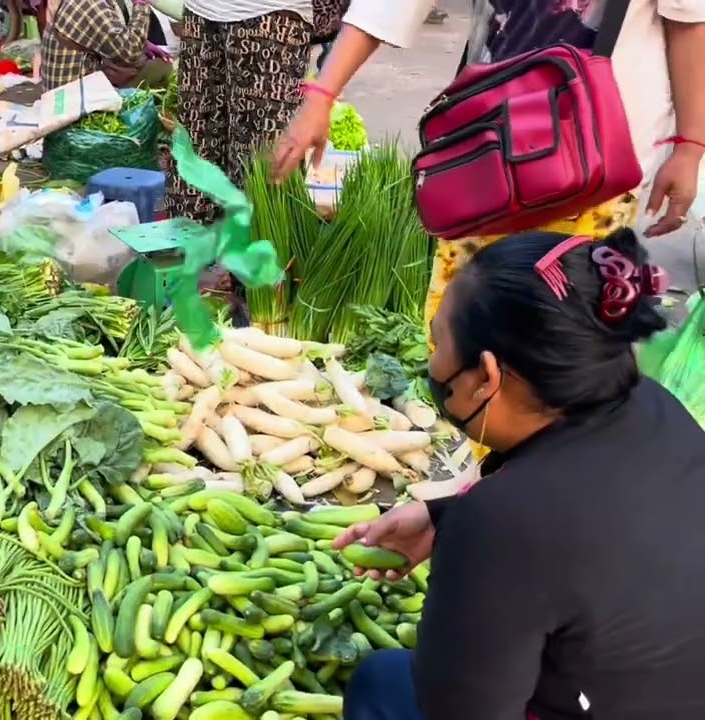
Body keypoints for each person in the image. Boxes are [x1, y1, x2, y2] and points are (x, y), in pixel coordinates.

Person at [333, 228, 705, 719]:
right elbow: (602, 529)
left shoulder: (502, 521)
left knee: (380, 684)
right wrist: (443, 517)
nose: (432, 360)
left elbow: (464, 712)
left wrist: (470, 535)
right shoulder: (653, 405)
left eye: (437, 341)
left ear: (486, 377)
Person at [271, 0, 704, 337]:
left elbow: (687, 20)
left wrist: (689, 145)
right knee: (461, 328)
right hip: (486, 152)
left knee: (563, 337)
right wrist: (322, 94)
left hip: (597, 164)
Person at [164, 0, 347, 221]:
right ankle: (195, 239)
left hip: (271, 17)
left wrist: (323, 96)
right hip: (200, 11)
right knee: (196, 157)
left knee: (261, 175)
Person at [39, 0, 174, 90]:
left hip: (64, 90)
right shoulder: (92, 4)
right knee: (162, 68)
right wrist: (141, 4)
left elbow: (108, 34)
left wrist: (144, 44)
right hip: (75, 100)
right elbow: (131, 52)